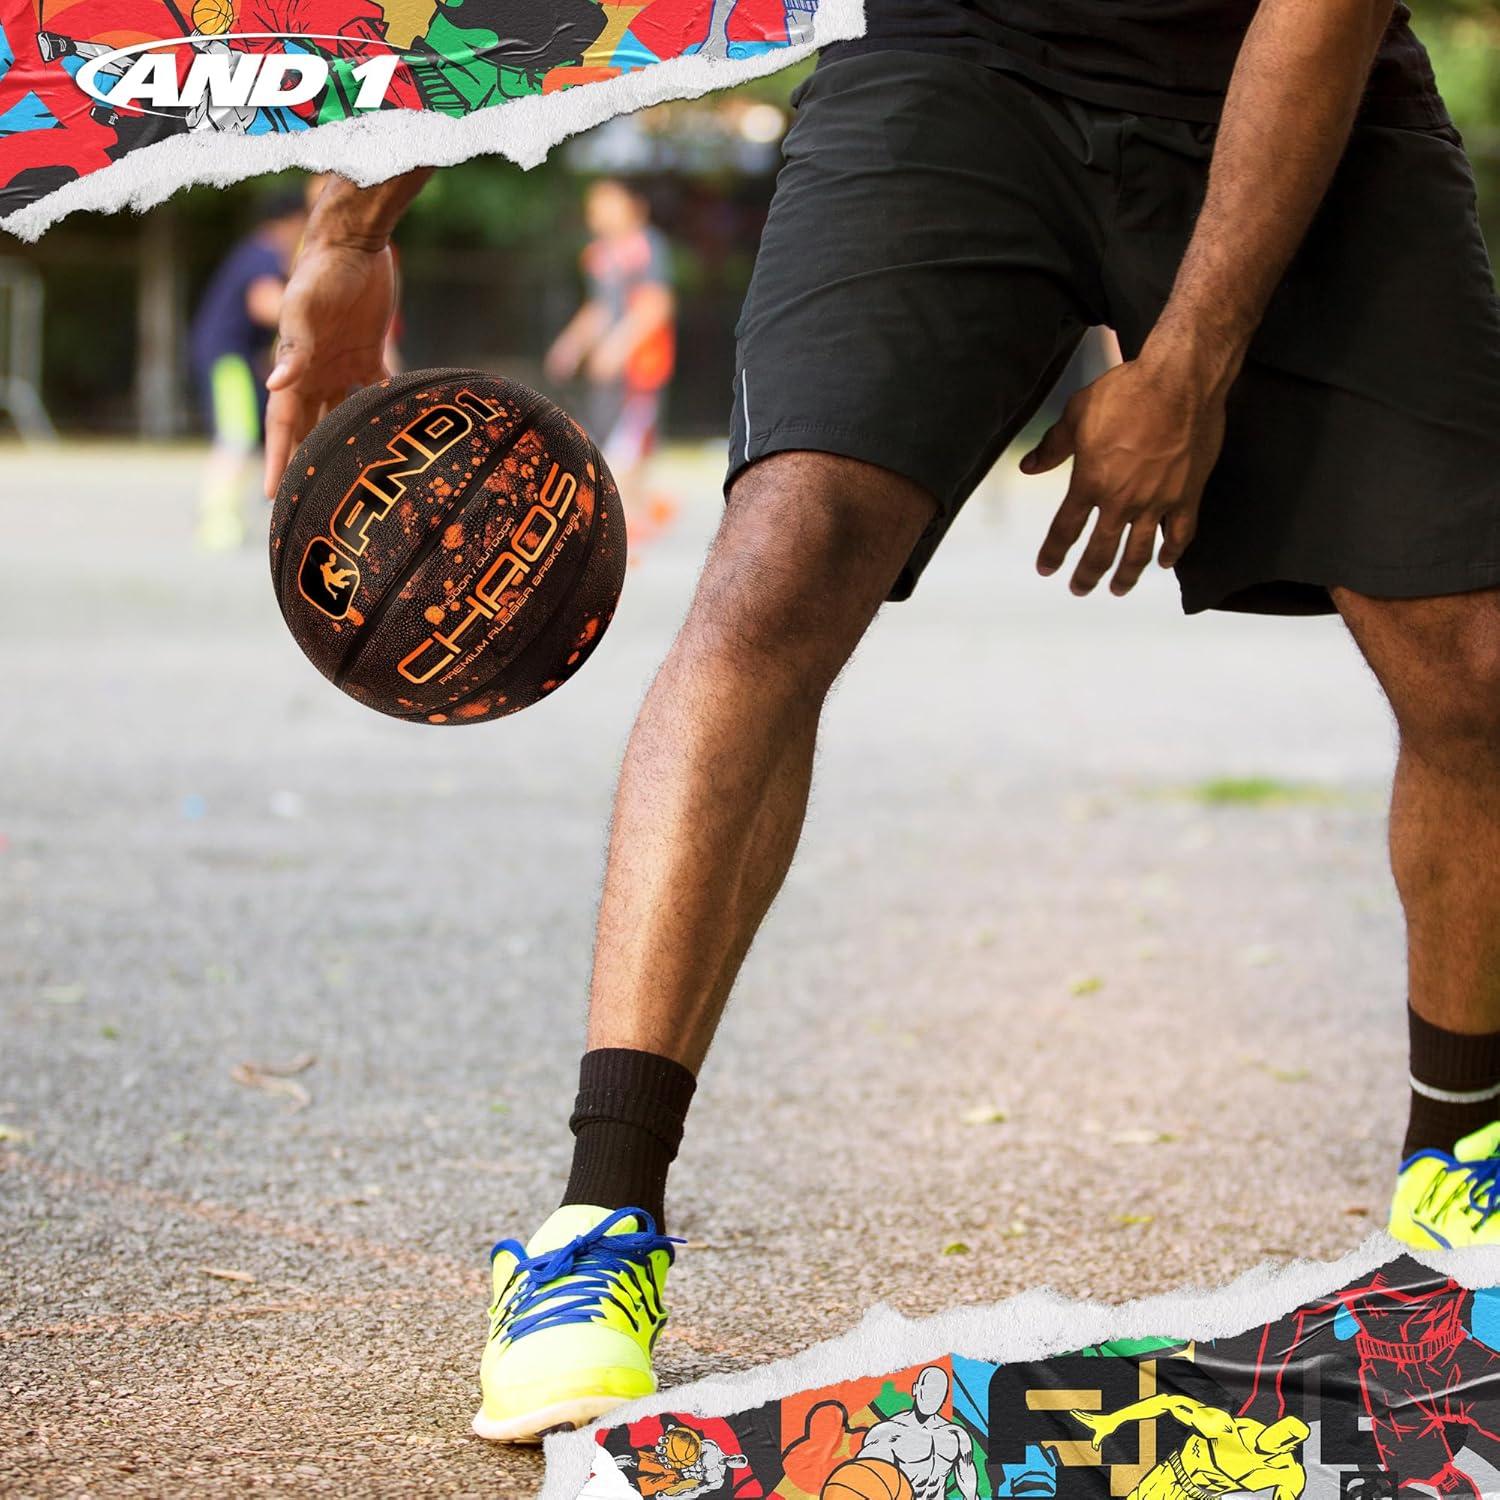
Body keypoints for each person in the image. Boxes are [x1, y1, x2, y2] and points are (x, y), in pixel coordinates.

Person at [261, 0, 1500, 1447]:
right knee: (780, 564)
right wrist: (348, 229)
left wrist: (1188, 363)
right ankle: (594, 1227)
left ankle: (1461, 1155)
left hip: (1288, 62)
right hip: (949, 52)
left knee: (1474, 660)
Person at [543, 177, 678, 548]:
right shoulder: (598, 254)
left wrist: (618, 346)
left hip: (640, 368)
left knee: (628, 444)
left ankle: (631, 525)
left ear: (635, 206)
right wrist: (572, 343)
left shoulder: (647, 247)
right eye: (594, 205)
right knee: (606, 443)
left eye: (607, 203)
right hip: (609, 373)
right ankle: (637, 516)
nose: (598, 213)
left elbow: (656, 305)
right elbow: (600, 308)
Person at [188, 187, 305, 550]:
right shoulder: (264, 254)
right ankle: (216, 520)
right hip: (228, 359)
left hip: (232, 358)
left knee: (246, 436)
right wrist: (314, 310)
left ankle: (231, 516)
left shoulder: (254, 252)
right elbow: (264, 303)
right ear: (291, 221)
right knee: (236, 436)